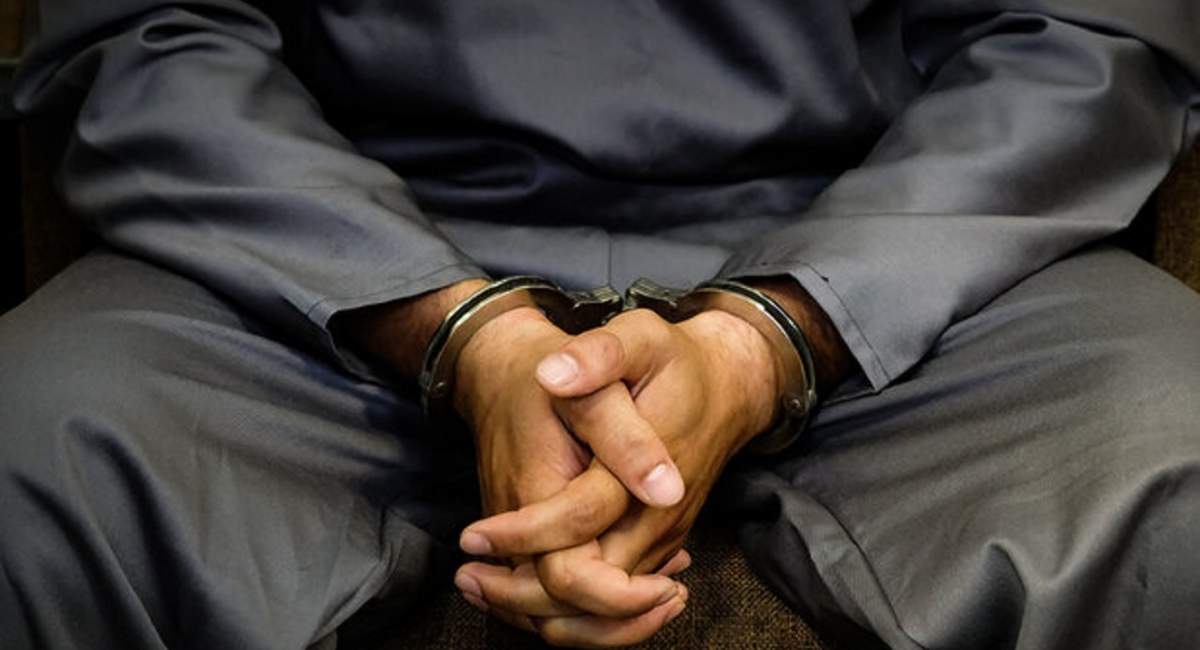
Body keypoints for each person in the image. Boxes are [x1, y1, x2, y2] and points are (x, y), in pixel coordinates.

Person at [3, 1, 1199, 648]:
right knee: (30, 446)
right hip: (323, 247)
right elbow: (146, 35)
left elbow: (1077, 38)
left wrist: (767, 336)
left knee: (1178, 454)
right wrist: (460, 329)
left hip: (901, 247)